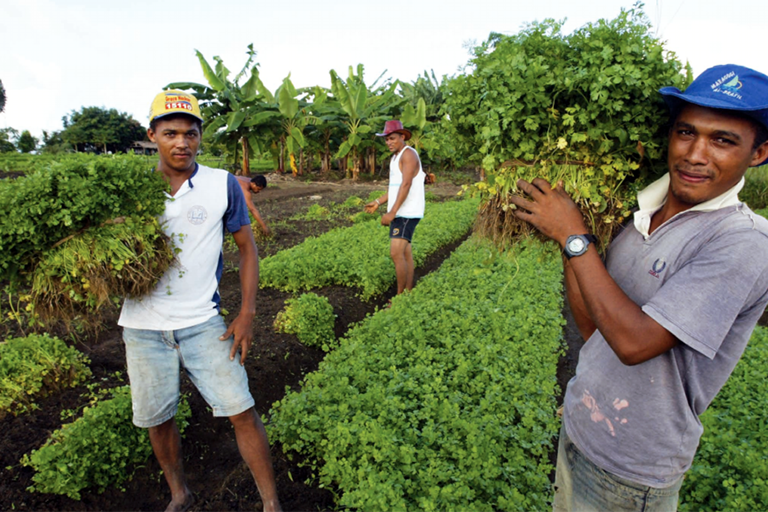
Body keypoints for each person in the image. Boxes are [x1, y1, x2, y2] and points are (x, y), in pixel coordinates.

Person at [510, 64, 768, 511]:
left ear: (759, 153)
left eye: (722, 140)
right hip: (579, 429)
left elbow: (633, 343)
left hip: (632, 474)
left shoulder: (744, 242)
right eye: (686, 132)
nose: (695, 153)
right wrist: (571, 244)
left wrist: (573, 235)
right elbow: (596, 330)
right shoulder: (636, 218)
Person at [118, 90, 282, 512]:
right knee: (158, 419)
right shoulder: (132, 190)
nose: (181, 142)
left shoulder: (221, 183)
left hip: (204, 323)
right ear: (152, 134)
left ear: (200, 138)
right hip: (142, 326)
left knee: (241, 409)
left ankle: (270, 503)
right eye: (170, 132)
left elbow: (248, 249)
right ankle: (180, 494)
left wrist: (247, 313)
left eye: (190, 133)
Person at [365, 120, 426, 295]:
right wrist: (378, 202)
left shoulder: (408, 155)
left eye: (392, 138)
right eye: (386, 139)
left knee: (396, 253)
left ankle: (400, 297)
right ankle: (407, 291)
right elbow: (396, 187)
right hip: (401, 211)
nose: (389, 142)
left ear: (402, 137)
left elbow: (406, 184)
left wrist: (392, 212)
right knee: (405, 254)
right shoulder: (395, 157)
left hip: (407, 213)